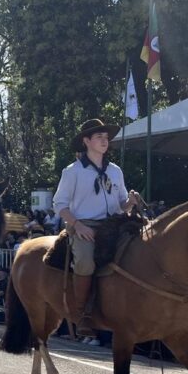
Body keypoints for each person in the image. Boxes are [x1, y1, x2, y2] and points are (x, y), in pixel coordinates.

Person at [52, 119, 139, 337]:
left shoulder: (116, 171)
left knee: (139, 249)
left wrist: (130, 202)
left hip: (114, 224)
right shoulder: (72, 172)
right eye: (99, 137)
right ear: (86, 141)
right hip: (85, 225)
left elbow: (121, 204)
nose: (104, 141)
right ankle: (82, 314)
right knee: (85, 261)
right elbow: (59, 204)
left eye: (106, 137)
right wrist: (77, 225)